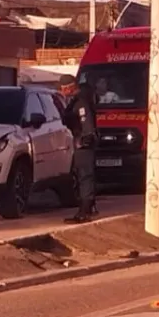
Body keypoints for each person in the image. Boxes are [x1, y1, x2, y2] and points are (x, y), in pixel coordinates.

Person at [60, 74, 99, 224]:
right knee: (84, 175)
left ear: (71, 87)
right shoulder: (76, 101)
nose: (62, 92)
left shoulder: (81, 101)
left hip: (83, 143)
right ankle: (90, 207)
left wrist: (84, 140)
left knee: (85, 176)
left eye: (64, 89)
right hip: (80, 141)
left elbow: (86, 122)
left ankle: (85, 211)